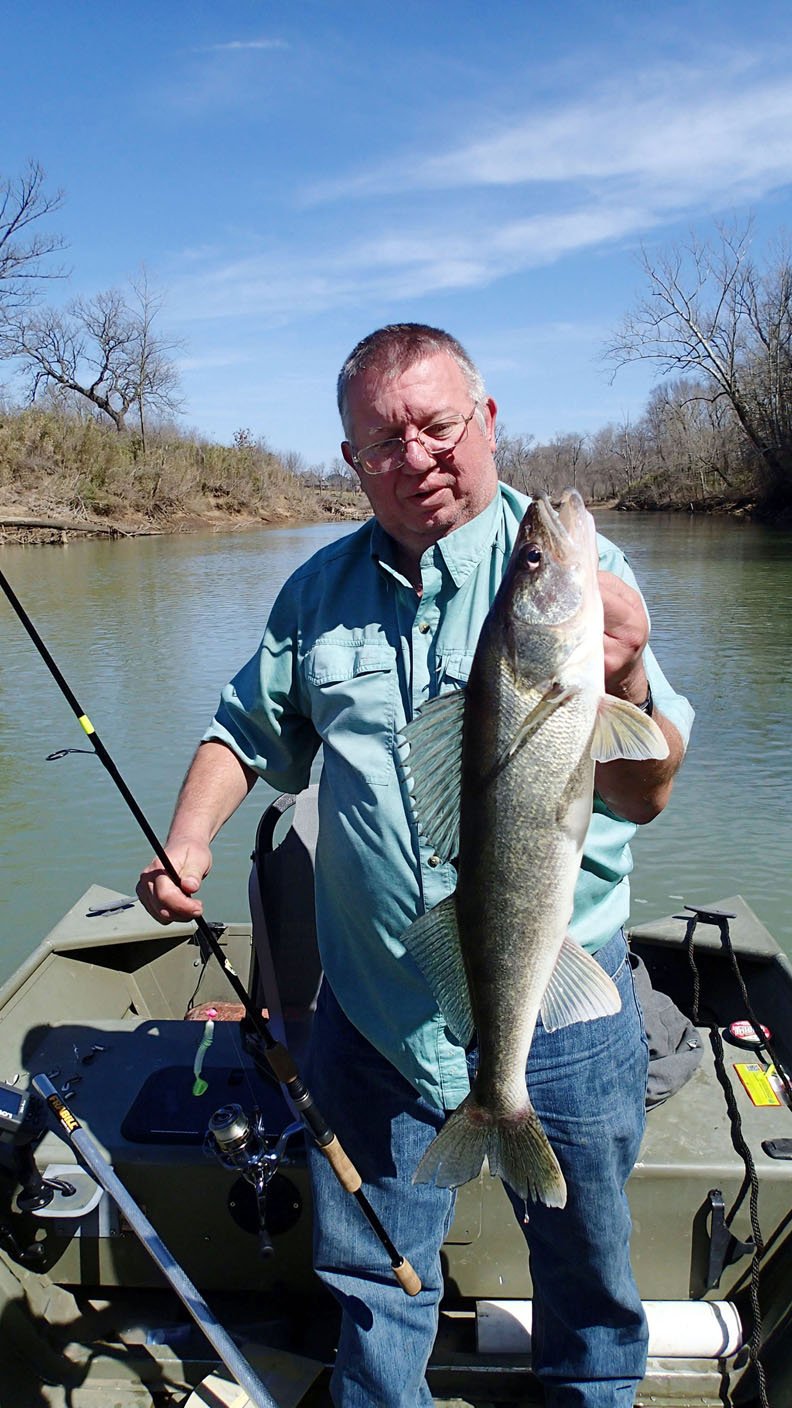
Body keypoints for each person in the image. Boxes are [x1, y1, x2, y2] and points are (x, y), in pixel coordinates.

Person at [137, 324, 694, 1407]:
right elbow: (247, 731)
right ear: (351, 461)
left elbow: (648, 790)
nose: (419, 456)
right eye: (383, 440)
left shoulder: (588, 582)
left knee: (589, 1278)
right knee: (370, 1280)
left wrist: (622, 682)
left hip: (566, 1014)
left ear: (486, 422)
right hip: (378, 1015)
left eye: (439, 425)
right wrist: (191, 833)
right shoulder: (314, 595)